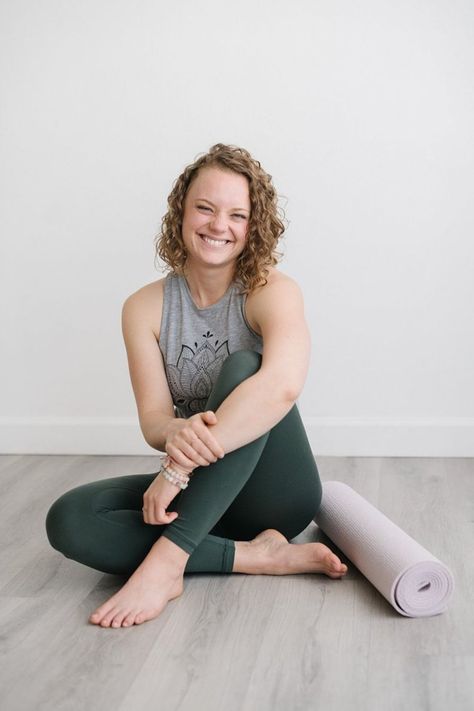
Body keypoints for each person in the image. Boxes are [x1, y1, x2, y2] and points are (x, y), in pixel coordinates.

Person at [45, 143, 347, 629]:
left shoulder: (273, 291)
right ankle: (255, 556)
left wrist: (178, 468)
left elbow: (283, 387)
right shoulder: (143, 307)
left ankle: (167, 565)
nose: (217, 225)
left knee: (246, 367)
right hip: (205, 499)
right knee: (72, 517)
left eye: (236, 214)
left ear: (254, 226)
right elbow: (154, 418)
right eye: (204, 208)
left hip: (275, 495)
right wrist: (173, 437)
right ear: (181, 213)